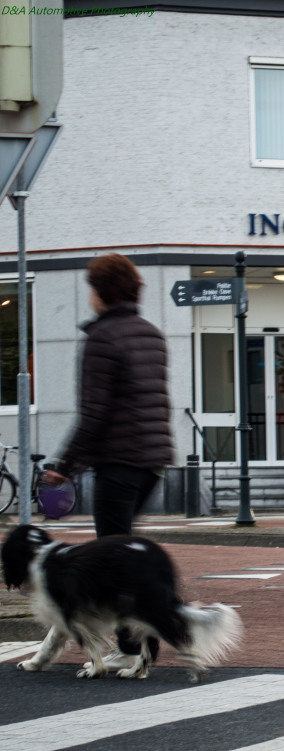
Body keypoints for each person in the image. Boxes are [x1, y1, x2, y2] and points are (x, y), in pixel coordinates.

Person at [43, 253, 175, 673]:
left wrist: (64, 463)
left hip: (119, 460)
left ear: (100, 291)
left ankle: (134, 647)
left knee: (113, 556)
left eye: (91, 289)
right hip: (152, 460)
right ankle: (142, 642)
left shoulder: (102, 338)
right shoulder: (151, 333)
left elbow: (95, 414)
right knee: (123, 553)